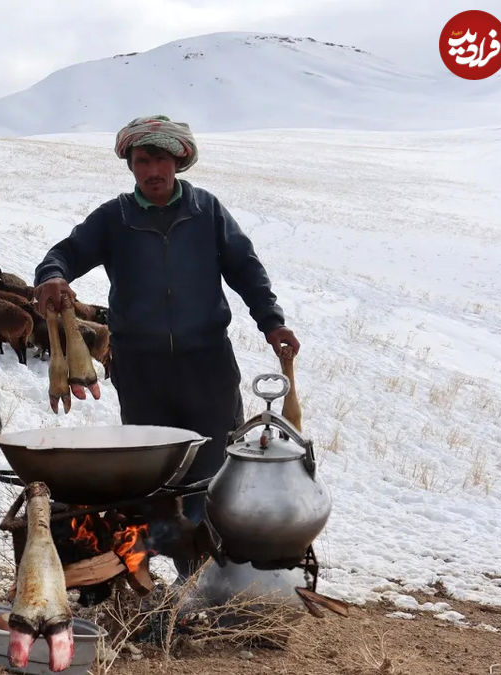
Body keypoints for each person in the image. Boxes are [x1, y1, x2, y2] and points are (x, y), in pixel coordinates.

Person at [32, 115, 301, 577]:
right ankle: (149, 573)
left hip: (207, 364)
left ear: (178, 161)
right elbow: (66, 252)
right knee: (153, 473)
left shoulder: (206, 211)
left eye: (160, 159)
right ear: (131, 165)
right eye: (142, 160)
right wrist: (53, 276)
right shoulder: (114, 218)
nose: (152, 170)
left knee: (214, 467)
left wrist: (271, 323)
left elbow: (246, 269)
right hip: (142, 368)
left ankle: (217, 573)